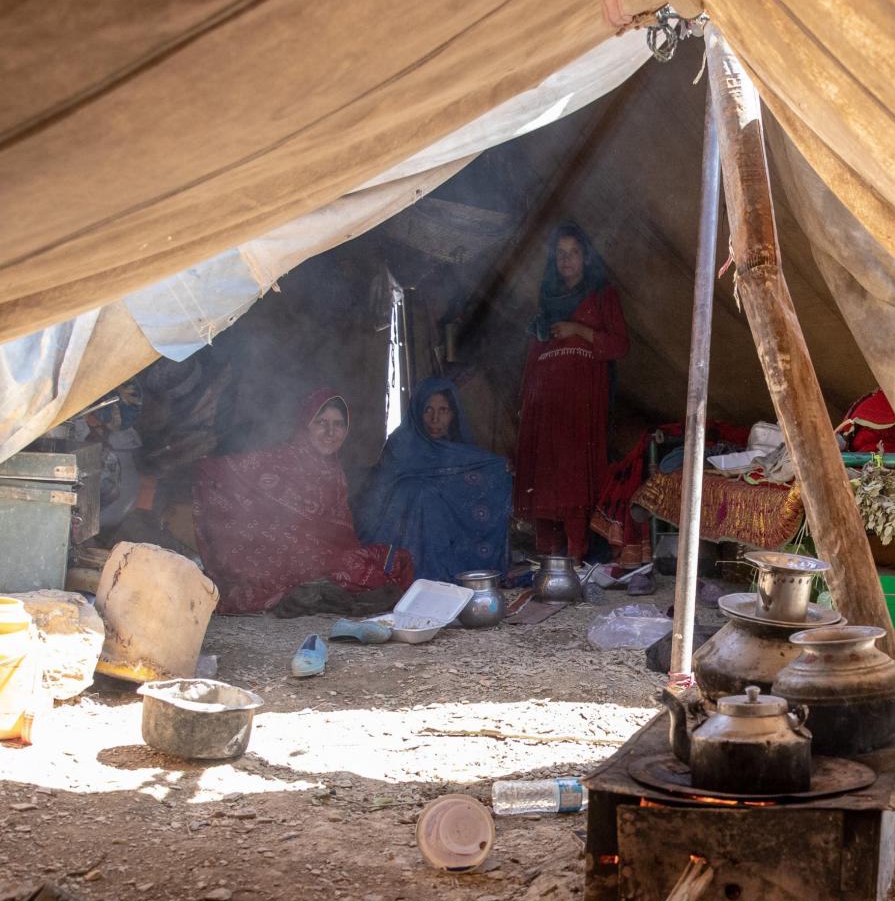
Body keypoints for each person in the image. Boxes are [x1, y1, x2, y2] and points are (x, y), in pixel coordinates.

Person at [193, 389, 411, 614]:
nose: (329, 432)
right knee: (358, 571)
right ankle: (312, 587)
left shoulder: (334, 472)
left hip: (320, 557)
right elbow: (215, 472)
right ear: (305, 424)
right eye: (321, 422)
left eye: (338, 425)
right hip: (276, 557)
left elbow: (338, 534)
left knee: (394, 560)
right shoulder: (281, 460)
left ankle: (318, 586)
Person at [513, 222, 628, 561]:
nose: (567, 261)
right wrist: (527, 400)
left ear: (586, 257)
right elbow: (536, 348)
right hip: (546, 404)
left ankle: (576, 559)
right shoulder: (547, 297)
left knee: (575, 478)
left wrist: (577, 329)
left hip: (583, 404)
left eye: (573, 253)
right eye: (560, 254)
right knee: (546, 477)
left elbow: (619, 345)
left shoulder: (602, 295)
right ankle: (548, 562)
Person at [354, 378, 512, 582]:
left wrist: (501, 469)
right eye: (427, 409)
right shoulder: (400, 445)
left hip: (447, 544)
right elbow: (378, 496)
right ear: (416, 411)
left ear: (453, 415)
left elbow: (480, 478)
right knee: (419, 493)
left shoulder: (460, 453)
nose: (435, 418)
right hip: (399, 538)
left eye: (443, 410)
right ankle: (410, 572)